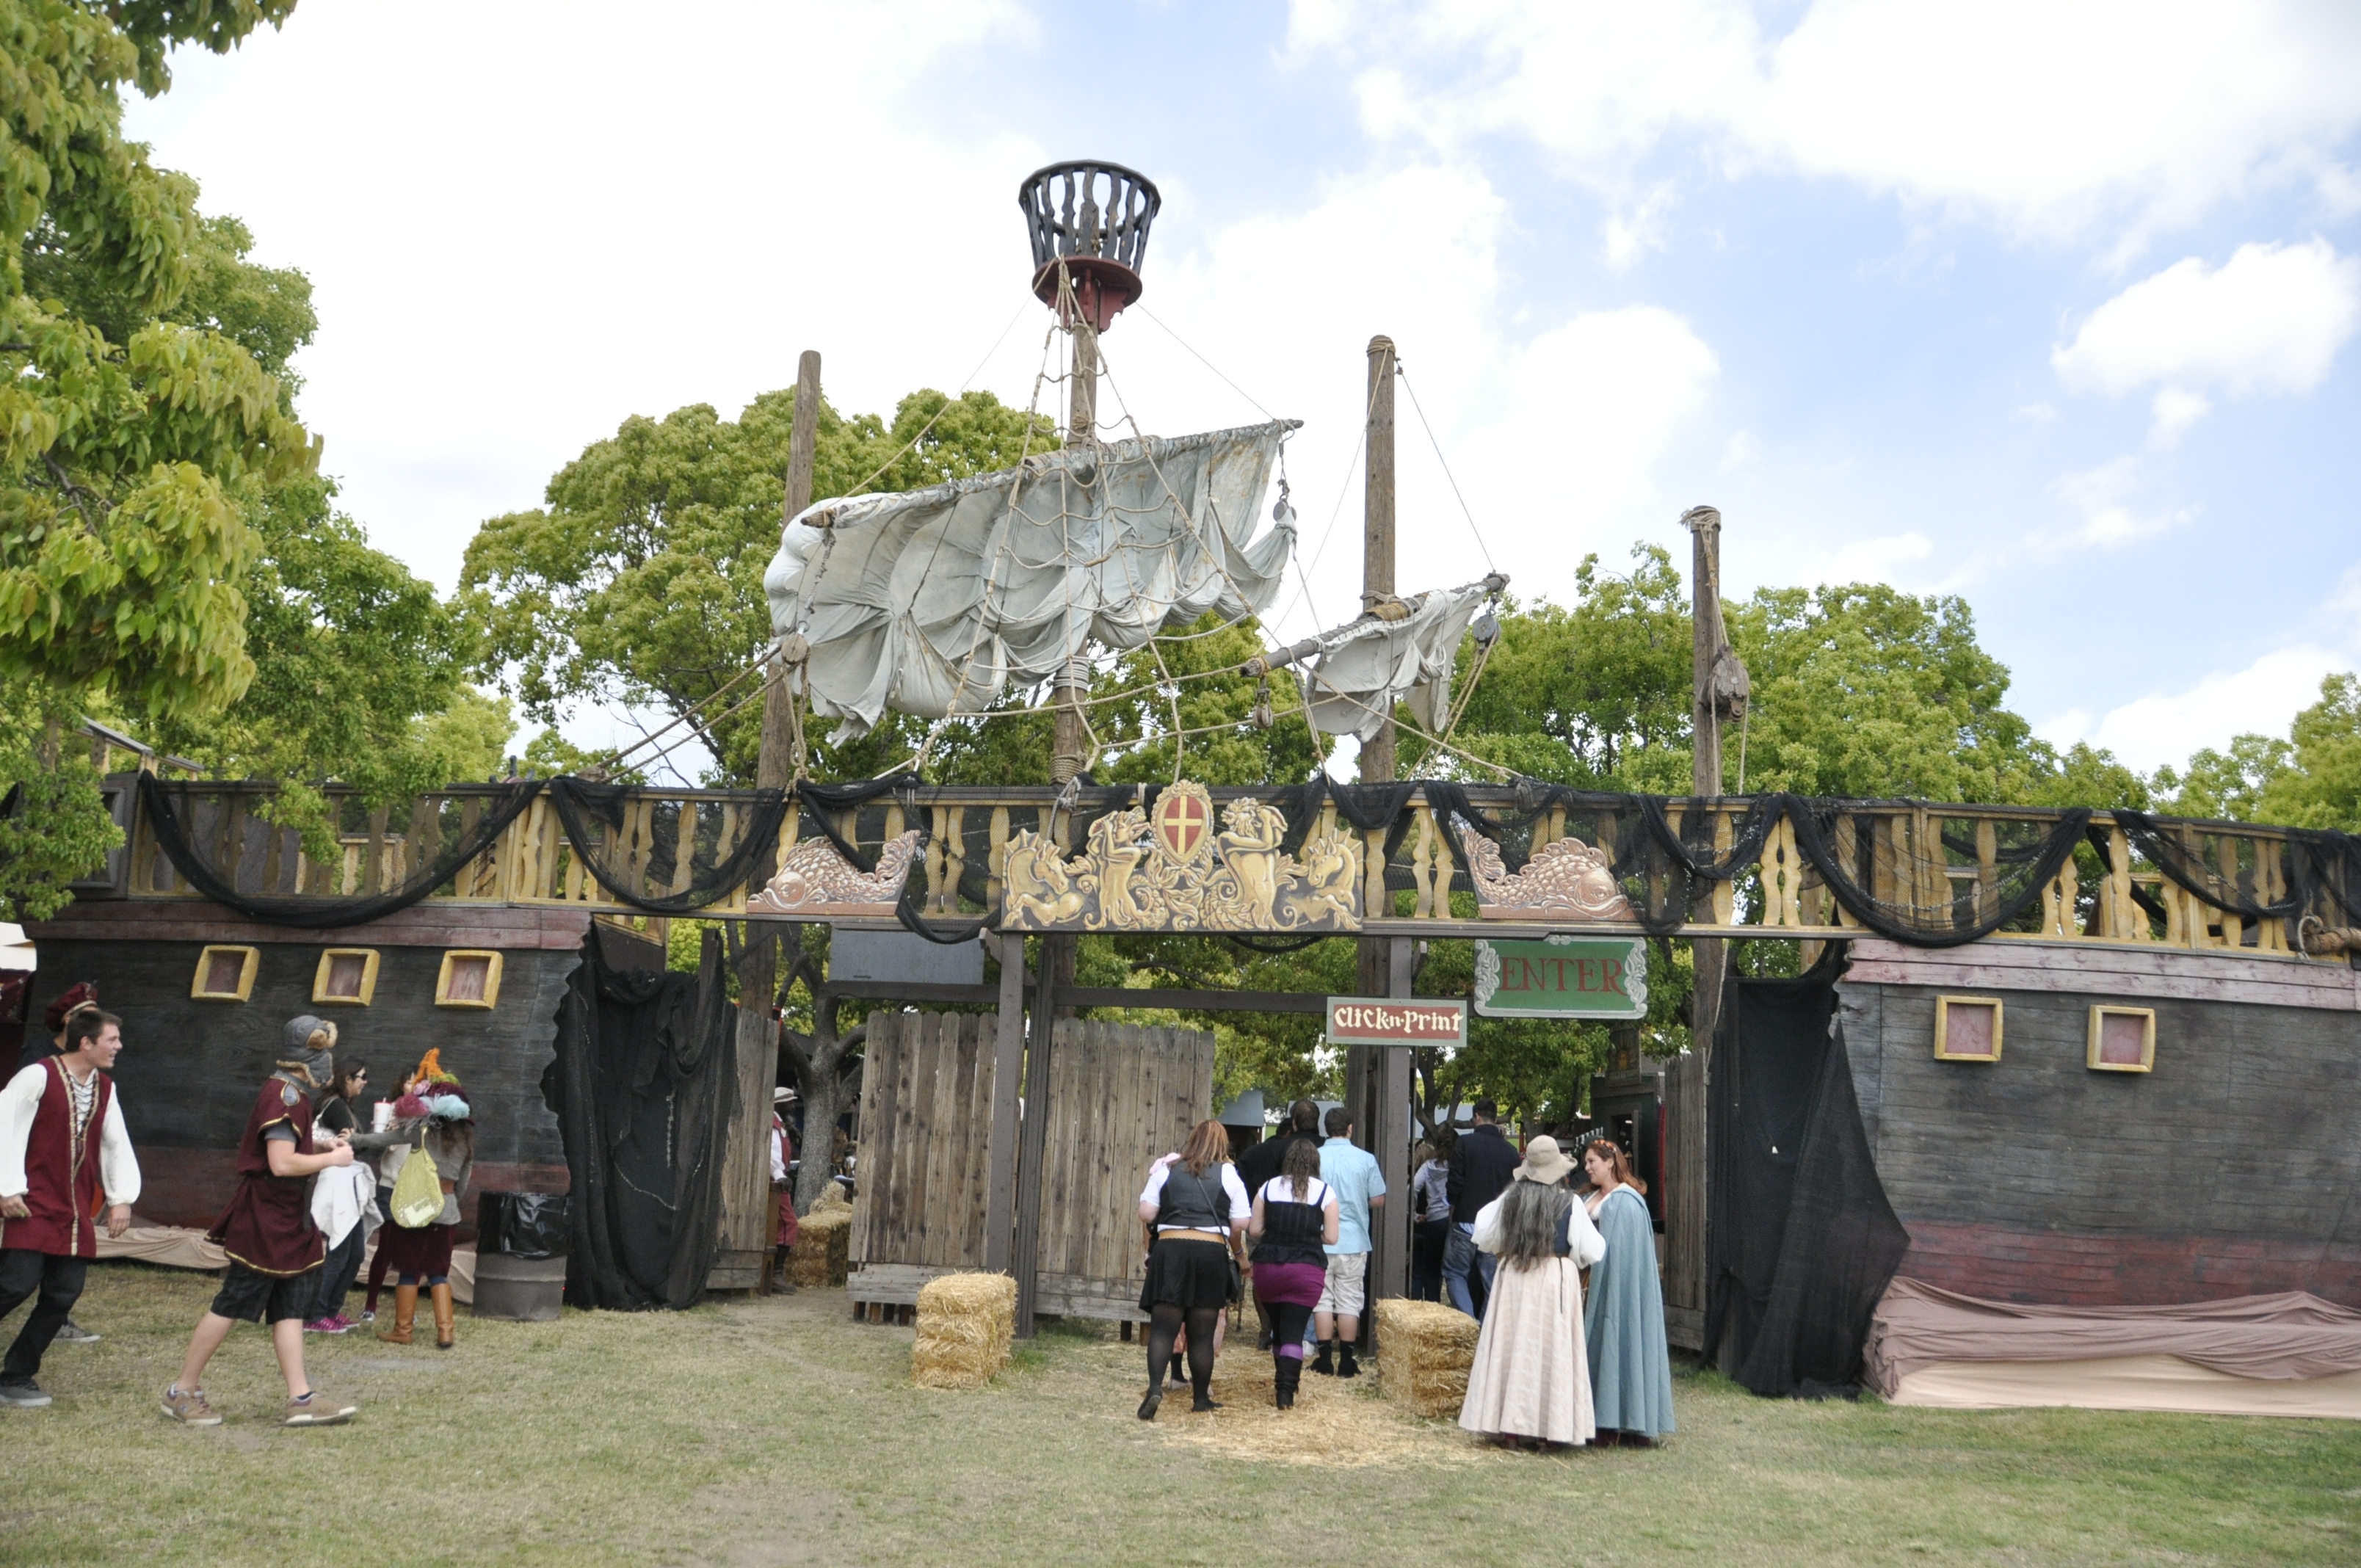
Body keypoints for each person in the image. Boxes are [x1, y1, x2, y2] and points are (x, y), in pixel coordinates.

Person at [164, 1015, 358, 1428]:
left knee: (289, 1307)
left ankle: (300, 1396)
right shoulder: (285, 1097)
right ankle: (182, 1390)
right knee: (231, 1303)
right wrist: (332, 1158)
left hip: (287, 1214)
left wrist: (320, 1143)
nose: (327, 1062)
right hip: (265, 1215)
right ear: (308, 1057)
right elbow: (281, 1162)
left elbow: (287, 1147)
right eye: (321, 1053)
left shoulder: (294, 1095)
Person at [0, 1007, 139, 1408]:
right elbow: (5, 1126)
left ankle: (16, 1375)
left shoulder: (105, 1088)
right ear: (86, 1042)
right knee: (15, 1284)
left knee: (63, 1293)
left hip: (74, 1207)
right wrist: (8, 1188)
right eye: (112, 1040)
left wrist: (121, 1198)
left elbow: (116, 1141)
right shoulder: (37, 1075)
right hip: (31, 1201)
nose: (119, 1047)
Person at [1459, 1136, 1605, 1451]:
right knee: (1551, 1352)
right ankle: (1548, 1432)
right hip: (1555, 1278)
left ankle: (1510, 1431)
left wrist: (1510, 1249)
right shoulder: (1571, 1203)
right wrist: (1570, 1260)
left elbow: (1483, 1234)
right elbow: (1594, 1250)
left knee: (1513, 1352)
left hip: (1515, 1276)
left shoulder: (1509, 1200)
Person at [1134, 1118, 1249, 1420]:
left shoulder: (1167, 1169)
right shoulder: (1229, 1174)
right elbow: (1241, 1223)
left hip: (1170, 1250)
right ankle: (1200, 1399)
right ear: (1222, 1146)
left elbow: (1146, 1212)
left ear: (1192, 1140)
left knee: (1162, 1330)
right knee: (1202, 1333)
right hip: (1209, 1252)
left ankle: (1155, 1388)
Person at [370, 1050, 474, 1351]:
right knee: (439, 1271)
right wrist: (450, 1202)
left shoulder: (420, 1130)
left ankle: (403, 1331)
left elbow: (384, 1141)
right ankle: (446, 1333)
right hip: (447, 1209)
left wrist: (352, 1141)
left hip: (417, 1207)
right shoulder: (467, 1139)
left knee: (409, 1269)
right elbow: (463, 1183)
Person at [22, 984, 104, 1347]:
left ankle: (56, 1319)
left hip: (71, 1174)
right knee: (19, 1271)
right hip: (35, 1169)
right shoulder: (37, 1061)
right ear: (69, 1024)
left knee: (67, 1255)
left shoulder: (96, 1068)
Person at [1583, 1137, 1677, 1445]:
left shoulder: (1627, 1203)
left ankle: (1625, 1423)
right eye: (1586, 1163)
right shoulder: (1592, 1199)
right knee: (1597, 1345)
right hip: (1590, 1287)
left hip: (1619, 1289)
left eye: (1592, 1162)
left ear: (1610, 1162)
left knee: (1622, 1341)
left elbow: (1626, 1257)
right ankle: (1597, 1421)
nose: (1587, 1169)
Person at [1244, 1136, 1336, 1410]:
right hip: (1305, 1270)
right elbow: (1331, 1238)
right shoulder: (1325, 1193)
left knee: (1279, 1331)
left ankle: (1283, 1379)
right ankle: (1286, 1390)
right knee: (1294, 1331)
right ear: (1315, 1163)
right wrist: (1309, 1232)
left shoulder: (1267, 1188)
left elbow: (1255, 1231)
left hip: (1269, 1268)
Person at [1233, 1098, 1319, 1350]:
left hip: (1260, 1219)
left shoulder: (1259, 1153)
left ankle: (1267, 1330)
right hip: (1305, 1225)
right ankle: (1299, 1335)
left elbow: (1240, 1183)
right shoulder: (1316, 1151)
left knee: (1262, 1276)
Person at [349, 1061, 431, 1321]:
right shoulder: (394, 1110)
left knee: (413, 1252)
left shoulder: (432, 1115)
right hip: (390, 1185)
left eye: (418, 1081)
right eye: (409, 1080)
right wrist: (386, 1130)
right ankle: (370, 1306)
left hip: (416, 1189)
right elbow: (385, 1144)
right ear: (401, 1084)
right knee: (384, 1249)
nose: (413, 1085)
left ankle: (407, 1308)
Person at [1312, 1106, 1385, 1377]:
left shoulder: (1315, 1158)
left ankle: (1323, 1359)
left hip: (1320, 1239)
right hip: (1353, 1240)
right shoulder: (1365, 1159)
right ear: (1350, 1128)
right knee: (1349, 1301)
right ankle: (1346, 1360)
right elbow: (1379, 1198)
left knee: (1322, 1300)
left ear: (1325, 1129)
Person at [304, 1057, 375, 1334]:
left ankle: (331, 1309)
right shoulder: (335, 1105)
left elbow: (358, 1143)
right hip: (337, 1183)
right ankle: (316, 1313)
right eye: (362, 1076)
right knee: (340, 1252)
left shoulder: (342, 1106)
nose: (365, 1082)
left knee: (355, 1252)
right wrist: (372, 1136)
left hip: (347, 1184)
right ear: (347, 1079)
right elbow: (356, 1143)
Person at [1445, 1099, 1518, 1319]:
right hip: (1497, 1227)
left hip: (1466, 1221)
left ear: (1477, 1117)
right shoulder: (1511, 1152)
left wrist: (1452, 1205)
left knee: (1455, 1273)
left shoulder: (1465, 1144)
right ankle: (1485, 1330)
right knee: (1493, 1284)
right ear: (1495, 1118)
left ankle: (1469, 1324)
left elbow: (1454, 1183)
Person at [1410, 1125, 1457, 1302]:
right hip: (1453, 1221)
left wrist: (1414, 1214)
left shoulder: (1428, 1167)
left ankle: (1432, 1308)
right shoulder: (1458, 1166)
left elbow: (1412, 1188)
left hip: (1434, 1221)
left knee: (1430, 1273)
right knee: (1454, 1272)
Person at [770, 1087, 799, 1293]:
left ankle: (774, 1273)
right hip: (775, 1181)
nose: (793, 1106)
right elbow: (772, 1154)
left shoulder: (780, 1125)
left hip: (778, 1178)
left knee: (778, 1225)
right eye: (789, 1102)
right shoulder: (773, 1125)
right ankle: (775, 1275)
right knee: (789, 1224)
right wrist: (780, 1176)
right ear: (780, 1104)